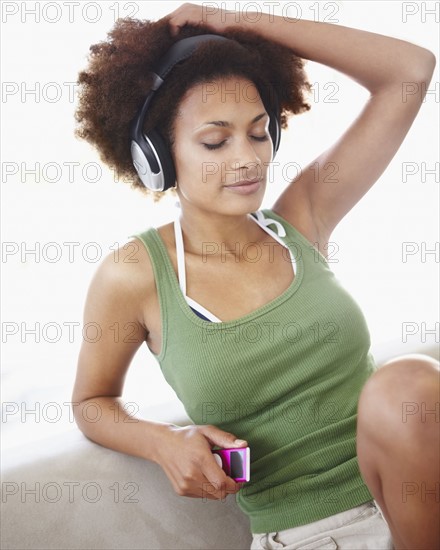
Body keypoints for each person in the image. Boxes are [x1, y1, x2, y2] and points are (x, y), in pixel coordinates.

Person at [72, 3, 439, 548]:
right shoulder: (135, 274)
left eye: (260, 133)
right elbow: (91, 403)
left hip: (419, 501)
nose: (248, 160)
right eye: (215, 142)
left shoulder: (302, 220)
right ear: (158, 157)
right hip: (314, 535)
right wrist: (163, 442)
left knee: (406, 381)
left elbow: (409, 71)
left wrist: (229, 24)